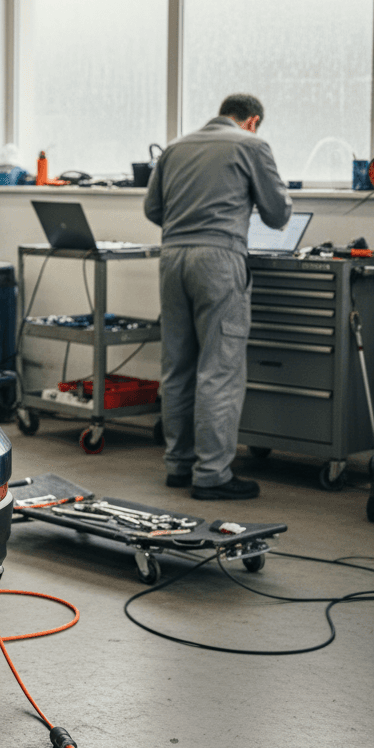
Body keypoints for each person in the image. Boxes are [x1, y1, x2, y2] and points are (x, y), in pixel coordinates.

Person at [144, 94, 292, 500]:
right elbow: (278, 214)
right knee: (220, 368)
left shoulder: (175, 147)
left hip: (172, 259)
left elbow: (152, 209)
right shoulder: (252, 146)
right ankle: (212, 475)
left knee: (177, 365)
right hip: (219, 260)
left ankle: (179, 465)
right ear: (252, 121)